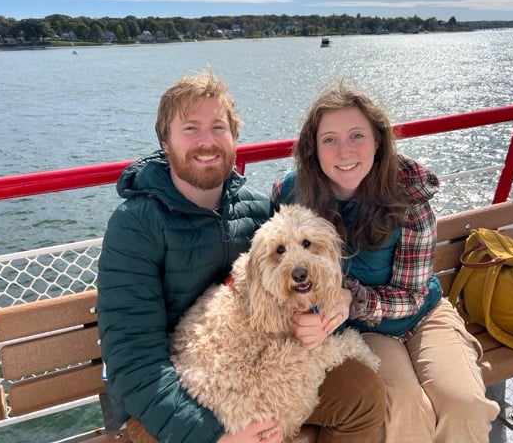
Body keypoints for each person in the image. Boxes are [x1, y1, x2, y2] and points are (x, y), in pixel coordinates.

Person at [97, 71, 385, 443]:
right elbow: (134, 363)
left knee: (361, 393)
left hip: (259, 368)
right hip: (171, 399)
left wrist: (326, 313)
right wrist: (213, 436)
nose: (206, 141)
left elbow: (295, 283)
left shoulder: (258, 209)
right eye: (190, 129)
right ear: (165, 142)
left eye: (218, 127)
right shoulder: (134, 227)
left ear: (234, 137)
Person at [271, 78, 501, 443]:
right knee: (406, 408)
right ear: (313, 150)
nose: (345, 152)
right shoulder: (293, 193)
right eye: (329, 139)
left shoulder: (408, 194)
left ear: (378, 141)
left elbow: (412, 295)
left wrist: (353, 299)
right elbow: (278, 268)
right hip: (364, 330)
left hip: (422, 313)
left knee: (465, 405)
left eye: (357, 136)